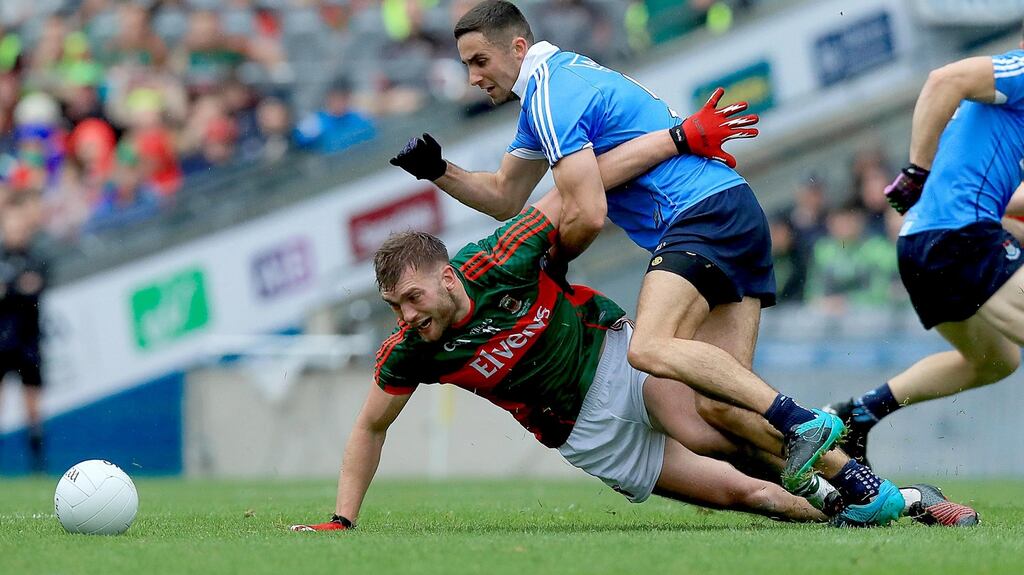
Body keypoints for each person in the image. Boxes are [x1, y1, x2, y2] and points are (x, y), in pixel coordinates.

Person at [389, 0, 901, 524]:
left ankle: (801, 421)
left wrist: (556, 262)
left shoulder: (550, 97)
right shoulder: (557, 87)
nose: (473, 77)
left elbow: (587, 212)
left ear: (518, 48)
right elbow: (504, 196)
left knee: (650, 347)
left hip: (699, 214)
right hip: (732, 208)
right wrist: (439, 170)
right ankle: (883, 494)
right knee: (721, 403)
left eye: (479, 61)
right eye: (466, 65)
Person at [289, 195, 977, 531]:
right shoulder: (413, 348)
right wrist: (343, 520)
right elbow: (369, 428)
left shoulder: (503, 256)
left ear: (444, 276)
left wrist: (676, 146)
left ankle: (897, 495)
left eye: (411, 298)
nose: (406, 316)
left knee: (716, 426)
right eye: (393, 306)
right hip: (589, 436)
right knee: (754, 494)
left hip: (620, 360)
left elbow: (582, 195)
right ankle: (860, 501)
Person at [825, 32, 1024, 481]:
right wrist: (916, 169)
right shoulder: (1019, 73)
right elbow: (942, 79)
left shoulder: (1004, 123)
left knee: (995, 361)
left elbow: (1007, 198)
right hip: (959, 236)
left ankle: (856, 415)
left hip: (923, 243)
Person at [0, 192, 48, 473]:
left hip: (29, 339)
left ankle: (37, 463)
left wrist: (12, 289)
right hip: (2, 341)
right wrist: (19, 288)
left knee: (33, 406)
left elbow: (36, 289)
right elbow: (23, 290)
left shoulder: (36, 256)